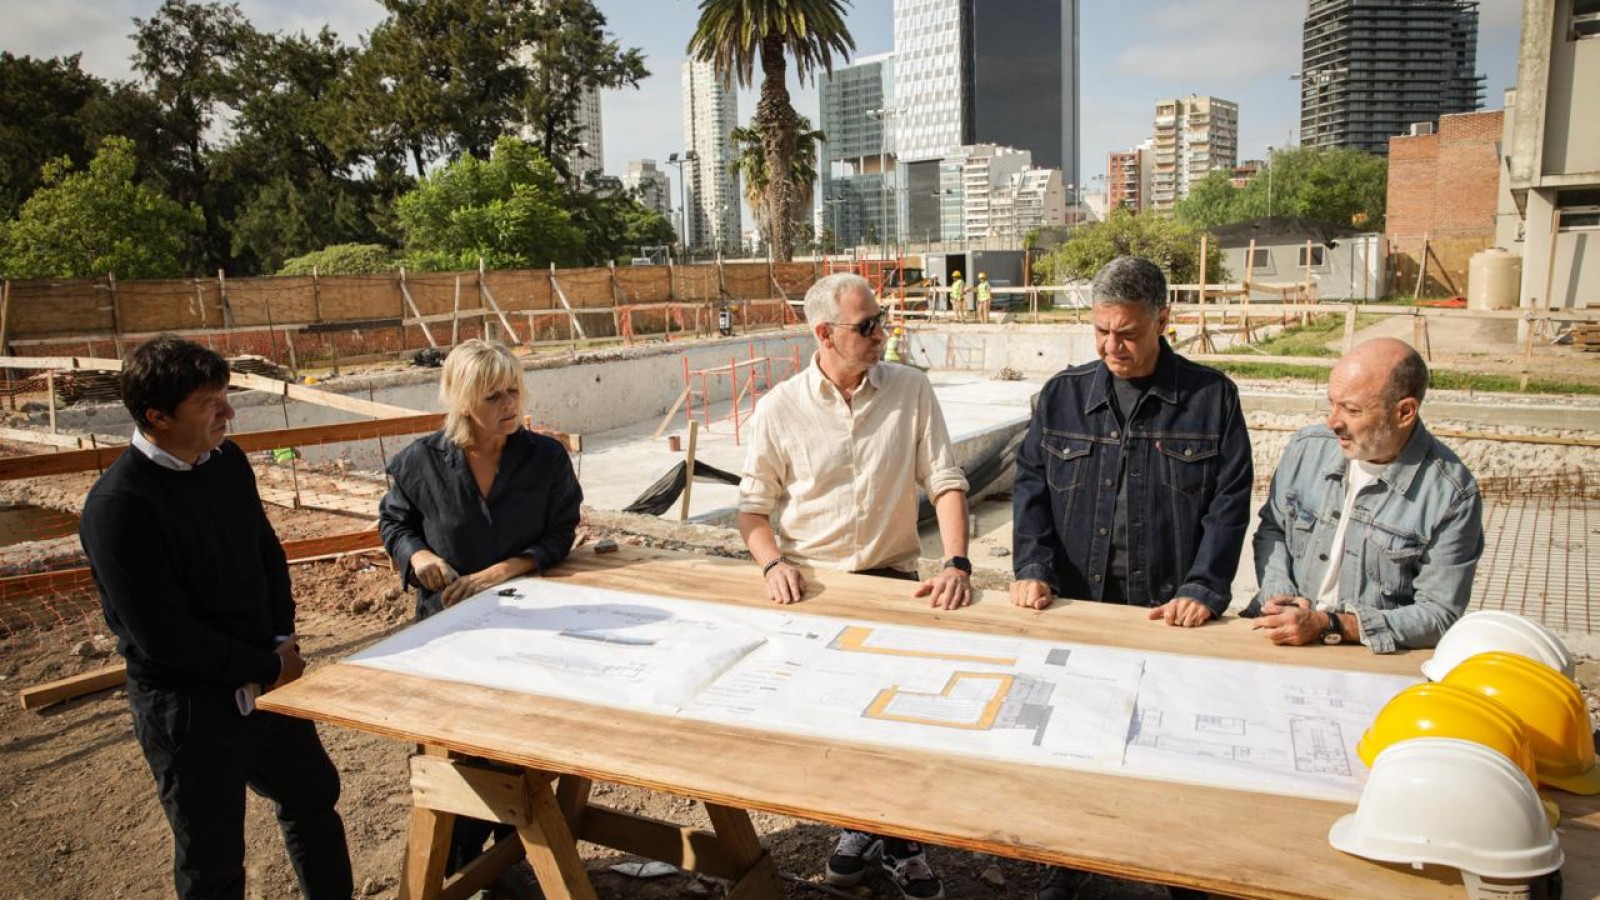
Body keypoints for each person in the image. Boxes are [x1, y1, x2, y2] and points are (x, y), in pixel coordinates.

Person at [1009, 257, 1252, 900]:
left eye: (1128, 333)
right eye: (1101, 332)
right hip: (1079, 608)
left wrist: (1204, 588)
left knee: (1167, 749)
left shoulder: (1212, 398)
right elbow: (1030, 487)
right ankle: (1071, 861)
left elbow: (1230, 504)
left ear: (1163, 321)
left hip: (1166, 612)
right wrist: (1031, 568)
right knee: (1074, 739)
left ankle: (1174, 870)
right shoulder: (1062, 394)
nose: (1112, 346)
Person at [80, 335, 353, 900]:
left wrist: (283, 640)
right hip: (190, 707)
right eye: (210, 404)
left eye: (225, 396)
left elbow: (266, 554)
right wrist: (267, 664)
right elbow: (163, 636)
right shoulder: (119, 509)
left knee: (313, 798)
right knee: (213, 859)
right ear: (157, 416)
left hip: (268, 675)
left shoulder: (227, 463)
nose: (229, 412)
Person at [738, 272, 972, 900]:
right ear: (825, 334)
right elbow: (752, 511)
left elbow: (944, 480)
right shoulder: (779, 408)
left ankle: (902, 842)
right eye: (867, 326)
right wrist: (770, 564)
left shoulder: (911, 391)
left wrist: (956, 563)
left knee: (901, 721)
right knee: (836, 724)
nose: (881, 333)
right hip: (816, 592)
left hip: (894, 583)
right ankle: (856, 828)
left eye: (882, 319)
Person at [379, 338, 583, 894]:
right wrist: (418, 557)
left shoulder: (545, 457)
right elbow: (396, 525)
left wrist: (500, 571)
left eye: (513, 390)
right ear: (463, 399)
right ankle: (455, 867)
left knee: (517, 751)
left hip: (527, 624)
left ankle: (514, 862)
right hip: (447, 631)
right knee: (455, 752)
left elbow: (560, 533)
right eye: (493, 394)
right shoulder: (420, 461)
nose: (508, 403)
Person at [1246, 338, 1482, 652]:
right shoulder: (1306, 449)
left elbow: (1439, 615)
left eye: (1352, 410)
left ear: (1405, 412)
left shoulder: (1450, 496)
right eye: (1332, 403)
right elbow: (1273, 529)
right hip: (1280, 633)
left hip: (1366, 653)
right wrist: (1280, 592)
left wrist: (1333, 625)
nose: (1333, 422)